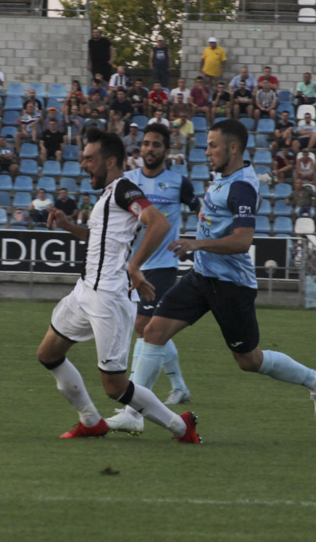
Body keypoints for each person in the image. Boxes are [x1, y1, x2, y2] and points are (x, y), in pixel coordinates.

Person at [111, 120, 316, 439]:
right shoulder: (224, 177)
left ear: (233, 148)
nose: (207, 150)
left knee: (249, 360)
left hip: (231, 285)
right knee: (153, 330)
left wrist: (196, 243)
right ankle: (134, 413)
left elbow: (243, 241)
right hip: (202, 276)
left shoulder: (241, 185)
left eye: (213, 144)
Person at [37, 128, 198, 442]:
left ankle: (181, 426)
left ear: (110, 161)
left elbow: (159, 222)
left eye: (89, 159)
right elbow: (98, 239)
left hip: (109, 298)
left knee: (115, 388)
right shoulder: (109, 193)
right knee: (48, 354)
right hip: (85, 291)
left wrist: (134, 266)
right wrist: (69, 226)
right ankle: (91, 421)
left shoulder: (125, 189)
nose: (83, 165)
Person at [102, 125, 203, 436]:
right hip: (133, 263)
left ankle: (134, 406)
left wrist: (197, 240)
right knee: (146, 327)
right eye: (145, 144)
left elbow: (202, 212)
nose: (149, 149)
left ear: (166, 150)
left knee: (146, 326)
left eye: (156, 144)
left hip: (161, 266)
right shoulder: (129, 182)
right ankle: (177, 386)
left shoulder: (179, 183)